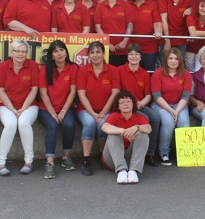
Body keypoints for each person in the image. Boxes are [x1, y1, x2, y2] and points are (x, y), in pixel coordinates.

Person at [0, 39, 40, 176]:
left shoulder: (32, 66)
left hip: (29, 106)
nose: (20, 54)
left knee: (23, 122)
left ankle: (28, 161)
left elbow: (34, 90)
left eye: (24, 52)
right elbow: (1, 91)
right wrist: (13, 110)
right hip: (6, 106)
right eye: (18, 51)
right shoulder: (3, 67)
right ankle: (1, 163)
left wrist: (22, 109)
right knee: (10, 124)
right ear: (12, 52)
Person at [76, 41, 121, 176]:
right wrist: (94, 114)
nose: (95, 55)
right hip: (85, 110)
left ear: (104, 54)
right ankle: (86, 160)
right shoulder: (83, 70)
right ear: (89, 55)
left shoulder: (112, 70)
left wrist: (102, 113)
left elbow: (115, 93)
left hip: (106, 110)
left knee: (103, 124)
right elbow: (81, 94)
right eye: (92, 52)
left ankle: (103, 157)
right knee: (90, 123)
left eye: (98, 52)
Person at [37, 40, 78, 179]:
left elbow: (73, 92)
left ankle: (67, 157)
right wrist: (53, 113)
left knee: (69, 124)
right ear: (51, 55)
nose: (59, 53)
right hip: (46, 109)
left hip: (66, 108)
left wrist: (63, 112)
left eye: (61, 50)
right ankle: (50, 163)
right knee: (53, 125)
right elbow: (43, 93)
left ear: (66, 52)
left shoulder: (73, 68)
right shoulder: (45, 69)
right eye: (55, 51)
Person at [118, 43, 161, 167]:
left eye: (136, 54)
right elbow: (118, 93)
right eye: (131, 54)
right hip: (126, 106)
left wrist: (141, 103)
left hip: (140, 105)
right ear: (127, 57)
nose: (133, 56)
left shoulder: (144, 74)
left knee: (155, 118)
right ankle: (139, 153)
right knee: (145, 119)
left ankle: (150, 153)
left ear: (141, 57)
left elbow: (148, 95)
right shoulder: (119, 71)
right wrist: (130, 103)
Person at [151, 47, 191, 166]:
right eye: (170, 58)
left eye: (176, 59)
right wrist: (170, 110)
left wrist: (177, 111)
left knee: (183, 122)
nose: (173, 61)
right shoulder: (158, 73)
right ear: (166, 60)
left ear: (180, 61)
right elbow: (156, 95)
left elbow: (186, 96)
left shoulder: (186, 74)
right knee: (168, 121)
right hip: (160, 104)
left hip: (179, 104)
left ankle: (184, 154)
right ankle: (163, 152)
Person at [101, 90, 152, 184]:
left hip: (129, 158)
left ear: (133, 104)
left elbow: (148, 129)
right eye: (122, 102)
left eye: (128, 101)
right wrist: (124, 131)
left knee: (143, 134)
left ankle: (133, 171)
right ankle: (121, 171)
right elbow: (105, 127)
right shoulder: (114, 116)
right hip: (112, 159)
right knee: (113, 134)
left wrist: (137, 127)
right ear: (118, 106)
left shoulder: (139, 117)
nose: (126, 104)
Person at [94, 0, 135, 66]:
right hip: (106, 49)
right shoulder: (100, 6)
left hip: (123, 48)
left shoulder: (125, 5)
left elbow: (130, 24)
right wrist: (107, 43)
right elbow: (97, 27)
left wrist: (124, 42)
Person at [127, 0, 163, 72]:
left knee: (148, 74)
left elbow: (157, 22)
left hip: (149, 48)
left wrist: (158, 31)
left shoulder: (152, 4)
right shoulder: (127, 5)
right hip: (131, 47)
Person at [158, 0, 192, 66]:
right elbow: (163, 19)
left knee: (179, 66)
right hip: (166, 37)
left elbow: (196, 11)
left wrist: (191, 9)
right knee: (165, 66)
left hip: (181, 38)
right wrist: (167, 40)